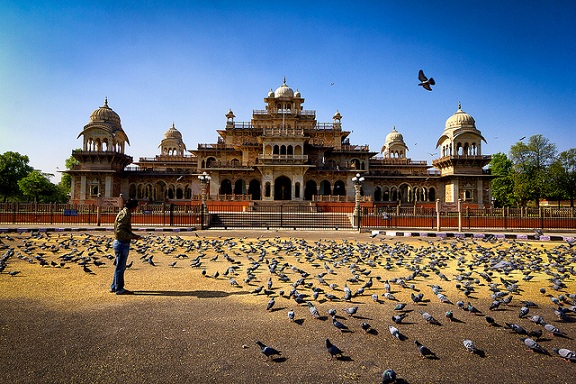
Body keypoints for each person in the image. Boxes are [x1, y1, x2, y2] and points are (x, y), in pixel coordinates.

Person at [110, 199, 141, 295]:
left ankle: (114, 286)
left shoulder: (123, 212)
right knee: (120, 267)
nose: (136, 209)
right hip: (122, 243)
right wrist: (132, 236)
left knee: (119, 266)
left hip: (119, 242)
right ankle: (119, 289)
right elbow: (119, 230)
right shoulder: (125, 214)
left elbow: (122, 229)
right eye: (136, 207)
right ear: (134, 207)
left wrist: (133, 235)